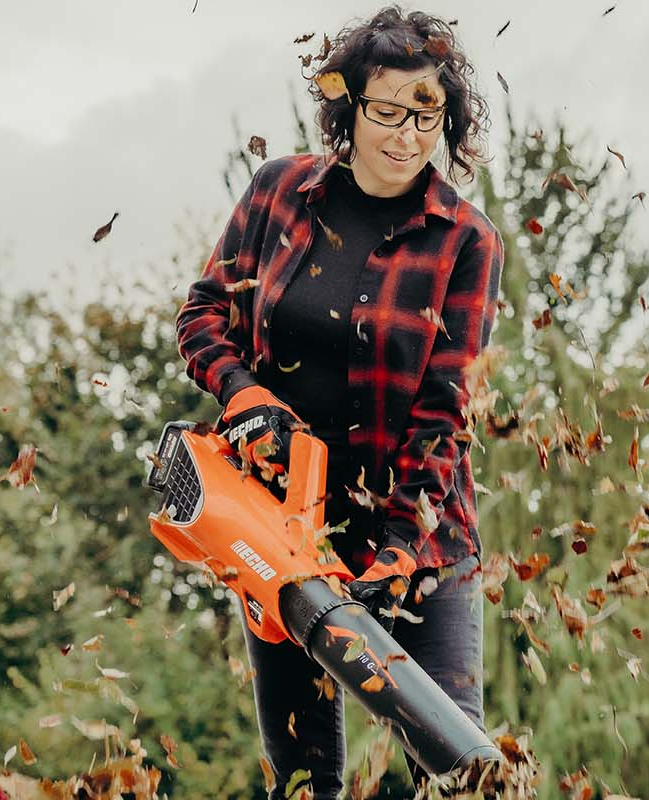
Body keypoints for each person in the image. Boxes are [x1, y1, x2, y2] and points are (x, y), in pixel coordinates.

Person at [173, 5, 501, 797]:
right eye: (386, 110)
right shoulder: (280, 192)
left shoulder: (465, 240)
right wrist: (245, 395)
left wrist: (398, 544)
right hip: (287, 531)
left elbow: (444, 412)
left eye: (428, 114)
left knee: (447, 769)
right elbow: (202, 315)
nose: (407, 134)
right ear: (345, 107)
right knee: (305, 775)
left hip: (421, 540)